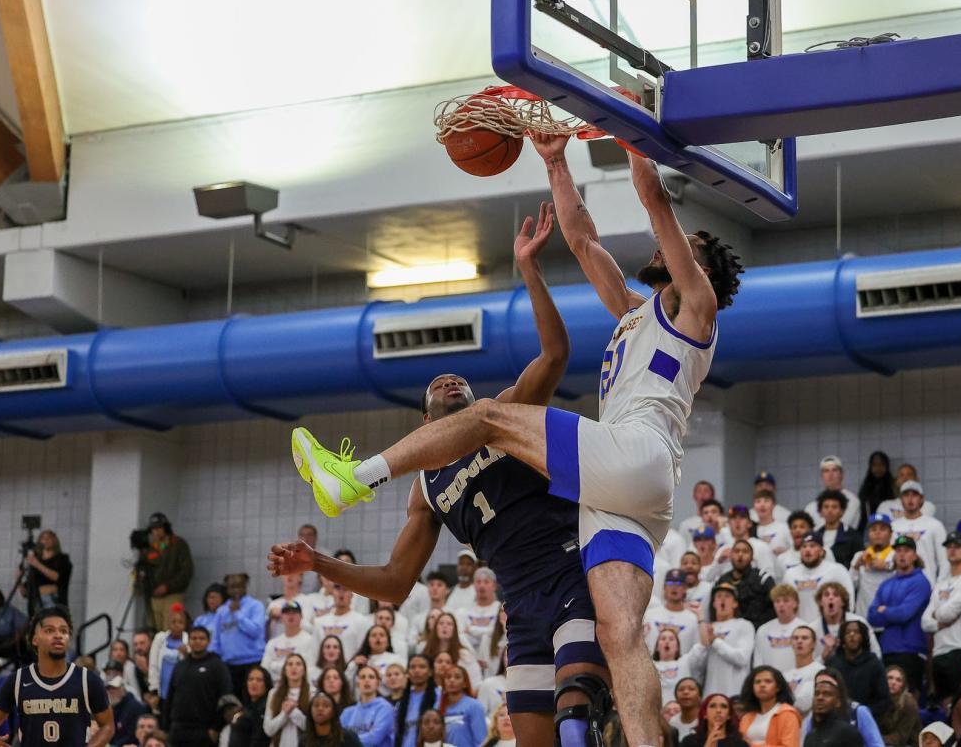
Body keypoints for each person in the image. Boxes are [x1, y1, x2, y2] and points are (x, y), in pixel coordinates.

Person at [291, 138, 745, 747]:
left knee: (489, 416)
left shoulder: (698, 307)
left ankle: (357, 475)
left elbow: (653, 197)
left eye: (685, 247)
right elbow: (584, 242)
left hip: (635, 451)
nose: (669, 244)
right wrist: (555, 160)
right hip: (624, 498)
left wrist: (637, 132)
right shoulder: (635, 314)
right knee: (622, 635)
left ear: (701, 271)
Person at [272, 206, 612, 746]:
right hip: (521, 605)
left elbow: (555, 353)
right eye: (438, 382)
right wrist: (318, 564)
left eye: (458, 379)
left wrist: (529, 269)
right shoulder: (424, 489)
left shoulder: (503, 414)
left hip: (571, 571)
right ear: (425, 423)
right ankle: (351, 481)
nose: (451, 378)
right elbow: (393, 583)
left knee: (576, 717)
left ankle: (353, 479)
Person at [0, 607, 115, 747]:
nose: (58, 635)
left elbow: (108, 725)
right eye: (49, 630)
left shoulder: (87, 679)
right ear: (34, 639)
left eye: (63, 631)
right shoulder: (18, 680)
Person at [920, 531, 961, 707]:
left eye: (957, 546)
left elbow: (947, 613)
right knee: (946, 705)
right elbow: (925, 622)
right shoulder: (940, 584)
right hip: (940, 652)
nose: (952, 550)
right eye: (949, 547)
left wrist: (938, 616)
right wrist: (939, 621)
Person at [867, 536, 931, 697]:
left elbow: (905, 614)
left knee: (908, 698)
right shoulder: (887, 584)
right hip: (887, 649)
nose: (902, 555)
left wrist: (885, 610)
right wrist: (889, 612)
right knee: (888, 699)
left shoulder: (920, 582)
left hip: (911, 649)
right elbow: (872, 616)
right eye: (899, 551)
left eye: (907, 551)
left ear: (914, 556)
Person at [163, 625, 232, 747]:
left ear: (208, 641)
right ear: (188, 641)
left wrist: (216, 728)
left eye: (201, 638)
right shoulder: (180, 666)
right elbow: (170, 697)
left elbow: (225, 698)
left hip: (204, 730)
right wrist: (167, 726)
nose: (197, 641)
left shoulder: (217, 665)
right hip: (178, 730)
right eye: (194, 638)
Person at [686, 583, 755, 697]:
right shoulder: (706, 627)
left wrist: (715, 641)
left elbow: (742, 658)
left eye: (727, 596)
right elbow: (697, 667)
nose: (722, 599)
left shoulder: (744, 625)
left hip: (736, 693)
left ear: (735, 603)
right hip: (710, 694)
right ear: (713, 603)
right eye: (718, 596)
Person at [139, 513, 194, 632]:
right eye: (153, 529)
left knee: (172, 628)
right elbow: (142, 571)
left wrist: (168, 586)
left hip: (173, 594)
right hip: (153, 597)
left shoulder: (179, 544)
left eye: (159, 528)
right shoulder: (148, 549)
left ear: (166, 528)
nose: (156, 532)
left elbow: (187, 571)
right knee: (154, 631)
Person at [825, 621, 888, 722]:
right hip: (835, 719)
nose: (852, 635)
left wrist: (862, 713)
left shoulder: (874, 663)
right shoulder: (832, 663)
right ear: (842, 637)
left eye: (856, 632)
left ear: (863, 637)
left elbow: (883, 700)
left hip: (865, 719)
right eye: (848, 632)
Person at [216, 574, 267, 698]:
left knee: (251, 700)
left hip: (251, 662)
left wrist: (238, 614)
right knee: (231, 702)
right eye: (232, 587)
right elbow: (217, 640)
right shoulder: (221, 611)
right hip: (229, 665)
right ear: (227, 589)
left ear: (245, 587)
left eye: (239, 586)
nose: (236, 590)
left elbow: (256, 631)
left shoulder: (256, 606)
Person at [782, 534, 853, 623]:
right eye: (804, 546)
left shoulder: (837, 570)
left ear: (822, 551)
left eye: (812, 546)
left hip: (828, 627)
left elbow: (849, 598)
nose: (807, 550)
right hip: (800, 631)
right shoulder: (790, 574)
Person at [889, 482, 947, 584]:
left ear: (922, 499)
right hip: (899, 586)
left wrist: (939, 586)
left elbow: (944, 561)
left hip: (928, 586)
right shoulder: (893, 526)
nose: (910, 499)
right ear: (901, 499)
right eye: (906, 495)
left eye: (914, 495)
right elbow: (890, 558)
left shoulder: (935, 525)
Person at [814, 583, 879, 662]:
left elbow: (876, 652)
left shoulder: (859, 622)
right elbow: (809, 665)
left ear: (843, 602)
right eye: (826, 595)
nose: (831, 598)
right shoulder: (813, 628)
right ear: (820, 602)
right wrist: (823, 657)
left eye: (836, 595)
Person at [737, 666, 800, 747]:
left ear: (778, 687)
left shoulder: (788, 714)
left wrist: (753, 746)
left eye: (768, 681)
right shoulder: (747, 717)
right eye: (757, 682)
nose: (762, 685)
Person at [800, 671, 864, 747]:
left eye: (827, 694)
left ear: (838, 702)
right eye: (816, 694)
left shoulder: (847, 733)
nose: (820, 698)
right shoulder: (810, 736)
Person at [849, 515, 895, 619]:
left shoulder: (896, 555)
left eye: (882, 529)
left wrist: (888, 566)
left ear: (891, 534)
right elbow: (850, 586)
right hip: (863, 617)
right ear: (868, 534)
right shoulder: (859, 555)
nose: (877, 533)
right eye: (873, 529)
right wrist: (856, 567)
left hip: (887, 618)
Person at [263, 654, 312, 747]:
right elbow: (268, 730)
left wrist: (293, 712)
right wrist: (284, 713)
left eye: (298, 664)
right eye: (290, 664)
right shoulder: (273, 693)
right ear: (284, 670)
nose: (294, 667)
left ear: (304, 670)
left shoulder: (312, 693)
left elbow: (312, 728)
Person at [338, 665, 393, 747]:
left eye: (371, 677)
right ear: (357, 683)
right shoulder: (347, 712)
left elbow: (374, 738)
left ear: (377, 683)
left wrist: (349, 741)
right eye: (362, 677)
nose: (367, 680)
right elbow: (337, 737)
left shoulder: (385, 708)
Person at [23, 530, 73, 616]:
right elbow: (26, 591)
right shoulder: (35, 560)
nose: (46, 540)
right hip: (36, 602)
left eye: (49, 538)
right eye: (43, 538)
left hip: (52, 599)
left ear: (55, 540)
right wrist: (19, 581)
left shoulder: (62, 559)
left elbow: (56, 577)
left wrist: (37, 564)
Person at [755, 585, 804, 674]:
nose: (781, 605)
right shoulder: (763, 630)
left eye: (786, 600)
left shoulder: (805, 628)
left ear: (795, 603)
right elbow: (758, 661)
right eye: (777, 601)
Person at [264, 601, 317, 679]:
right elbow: (265, 669)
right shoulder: (273, 643)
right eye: (287, 613)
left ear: (301, 616)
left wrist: (275, 666)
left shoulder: (310, 641)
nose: (291, 616)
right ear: (281, 617)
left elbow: (309, 669)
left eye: (294, 613)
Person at [149, 604, 190, 702]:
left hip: (182, 692)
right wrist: (154, 689)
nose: (176, 625)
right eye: (173, 622)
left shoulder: (189, 641)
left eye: (180, 622)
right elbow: (153, 664)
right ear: (168, 623)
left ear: (185, 624)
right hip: (162, 690)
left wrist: (187, 653)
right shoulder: (160, 638)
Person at [436, 666, 485, 747]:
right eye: (448, 677)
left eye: (457, 677)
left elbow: (481, 741)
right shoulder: (437, 706)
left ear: (465, 683)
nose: (452, 680)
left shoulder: (475, 706)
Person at [814, 492, 864, 568]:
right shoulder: (815, 535)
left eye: (834, 507)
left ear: (842, 511)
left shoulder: (853, 536)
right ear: (820, 512)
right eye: (826, 507)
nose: (830, 510)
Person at [394, 655, 435, 747]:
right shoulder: (402, 701)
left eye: (422, 667)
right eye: (413, 667)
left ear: (430, 672)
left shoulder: (439, 696)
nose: (417, 671)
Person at [784, 627, 824, 716]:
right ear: (791, 643)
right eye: (795, 638)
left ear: (813, 644)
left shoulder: (820, 671)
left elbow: (803, 705)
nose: (799, 641)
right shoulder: (785, 675)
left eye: (805, 638)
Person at [680, 693, 747, 747]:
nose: (718, 710)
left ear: (729, 715)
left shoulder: (740, 744)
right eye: (713, 706)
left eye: (724, 706)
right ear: (705, 714)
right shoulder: (689, 742)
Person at [457, 570, 500, 653]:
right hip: (470, 656)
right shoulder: (464, 611)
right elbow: (461, 635)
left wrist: (470, 630)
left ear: (494, 586)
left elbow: (497, 633)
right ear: (473, 585)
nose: (481, 585)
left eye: (486, 582)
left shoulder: (501, 609)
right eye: (478, 582)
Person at [230, 667, 274, 747]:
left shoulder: (264, 709)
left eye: (259, 680)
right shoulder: (246, 707)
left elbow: (259, 741)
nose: (254, 683)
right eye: (250, 679)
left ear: (266, 684)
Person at [878, 666, 920, 747]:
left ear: (903, 685)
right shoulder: (878, 699)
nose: (893, 682)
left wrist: (876, 740)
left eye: (898, 680)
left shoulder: (909, 703)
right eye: (890, 678)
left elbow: (901, 736)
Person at [106, 672, 147, 747]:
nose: (110, 691)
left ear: (123, 689)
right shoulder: (112, 706)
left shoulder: (134, 707)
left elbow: (132, 735)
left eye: (114, 688)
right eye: (108, 688)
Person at [752, 490, 793, 560]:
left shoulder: (784, 528)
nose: (762, 505)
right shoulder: (750, 530)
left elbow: (797, 551)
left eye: (766, 501)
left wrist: (786, 552)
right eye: (758, 501)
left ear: (773, 505)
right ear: (754, 506)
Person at [857, 452, 895, 527]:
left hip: (890, 525)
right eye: (875, 465)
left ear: (886, 466)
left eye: (881, 464)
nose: (878, 468)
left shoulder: (893, 486)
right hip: (870, 526)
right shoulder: (866, 487)